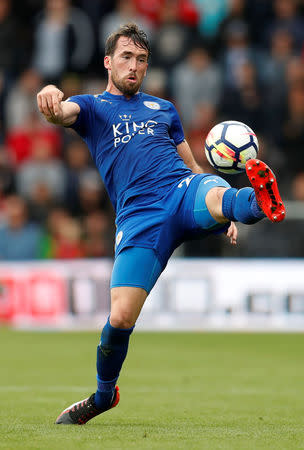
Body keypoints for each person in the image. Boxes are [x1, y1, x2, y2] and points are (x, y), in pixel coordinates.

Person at [37, 23, 285, 425]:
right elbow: (61, 112)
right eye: (126, 58)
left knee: (220, 196)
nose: (134, 66)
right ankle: (102, 397)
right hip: (140, 218)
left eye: (141, 60)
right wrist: (50, 97)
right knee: (120, 318)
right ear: (108, 62)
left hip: (182, 189)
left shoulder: (164, 109)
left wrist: (221, 215)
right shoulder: (93, 108)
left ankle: (257, 202)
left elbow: (192, 166)